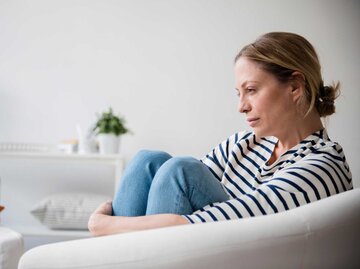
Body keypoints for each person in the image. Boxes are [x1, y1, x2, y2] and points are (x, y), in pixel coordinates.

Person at [88, 32, 352, 236]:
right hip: (206, 245)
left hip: (239, 255)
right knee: (149, 160)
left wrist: (104, 224)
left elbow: (210, 220)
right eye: (239, 94)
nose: (241, 107)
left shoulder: (322, 165)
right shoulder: (242, 144)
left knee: (180, 170)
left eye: (251, 90)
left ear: (294, 87)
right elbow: (174, 195)